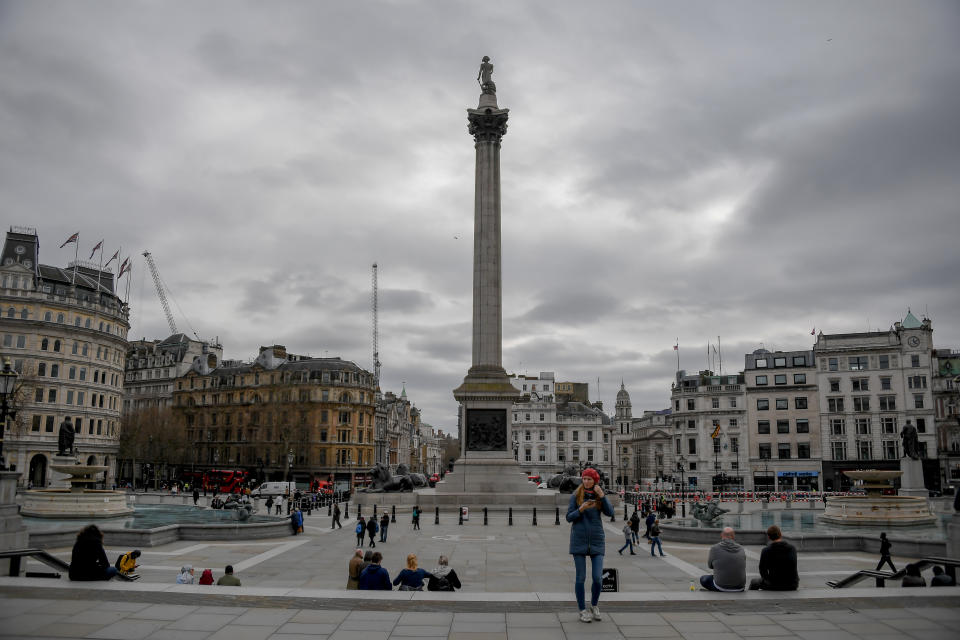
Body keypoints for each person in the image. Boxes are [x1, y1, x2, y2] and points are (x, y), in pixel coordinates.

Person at [566, 467, 614, 624]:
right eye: (584, 478)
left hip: (596, 539)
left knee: (597, 578)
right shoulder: (576, 496)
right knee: (580, 577)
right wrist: (581, 509)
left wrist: (603, 496)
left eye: (589, 479)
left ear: (595, 481)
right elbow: (568, 517)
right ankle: (582, 609)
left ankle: (594, 605)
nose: (586, 481)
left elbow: (610, 513)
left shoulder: (599, 496)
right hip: (579, 539)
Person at [749, 525, 798, 591]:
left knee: (754, 582)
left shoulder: (766, 550)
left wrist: (768, 581)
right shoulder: (792, 548)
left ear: (769, 537)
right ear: (780, 534)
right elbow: (793, 567)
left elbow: (762, 570)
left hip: (774, 585)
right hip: (792, 585)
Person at [699, 527, 746, 592]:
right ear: (733, 536)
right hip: (740, 587)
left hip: (721, 587)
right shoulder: (741, 548)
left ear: (722, 535)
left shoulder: (714, 548)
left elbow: (710, 566)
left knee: (703, 579)